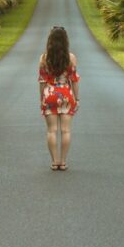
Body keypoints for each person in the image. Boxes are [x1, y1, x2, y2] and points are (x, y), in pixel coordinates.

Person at [39, 25, 79, 171]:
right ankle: (63, 162)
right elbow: (74, 80)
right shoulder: (71, 58)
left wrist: (41, 99)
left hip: (49, 94)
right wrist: (77, 98)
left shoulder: (44, 58)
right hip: (66, 93)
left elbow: (42, 81)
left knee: (51, 131)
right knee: (66, 131)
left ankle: (54, 161)